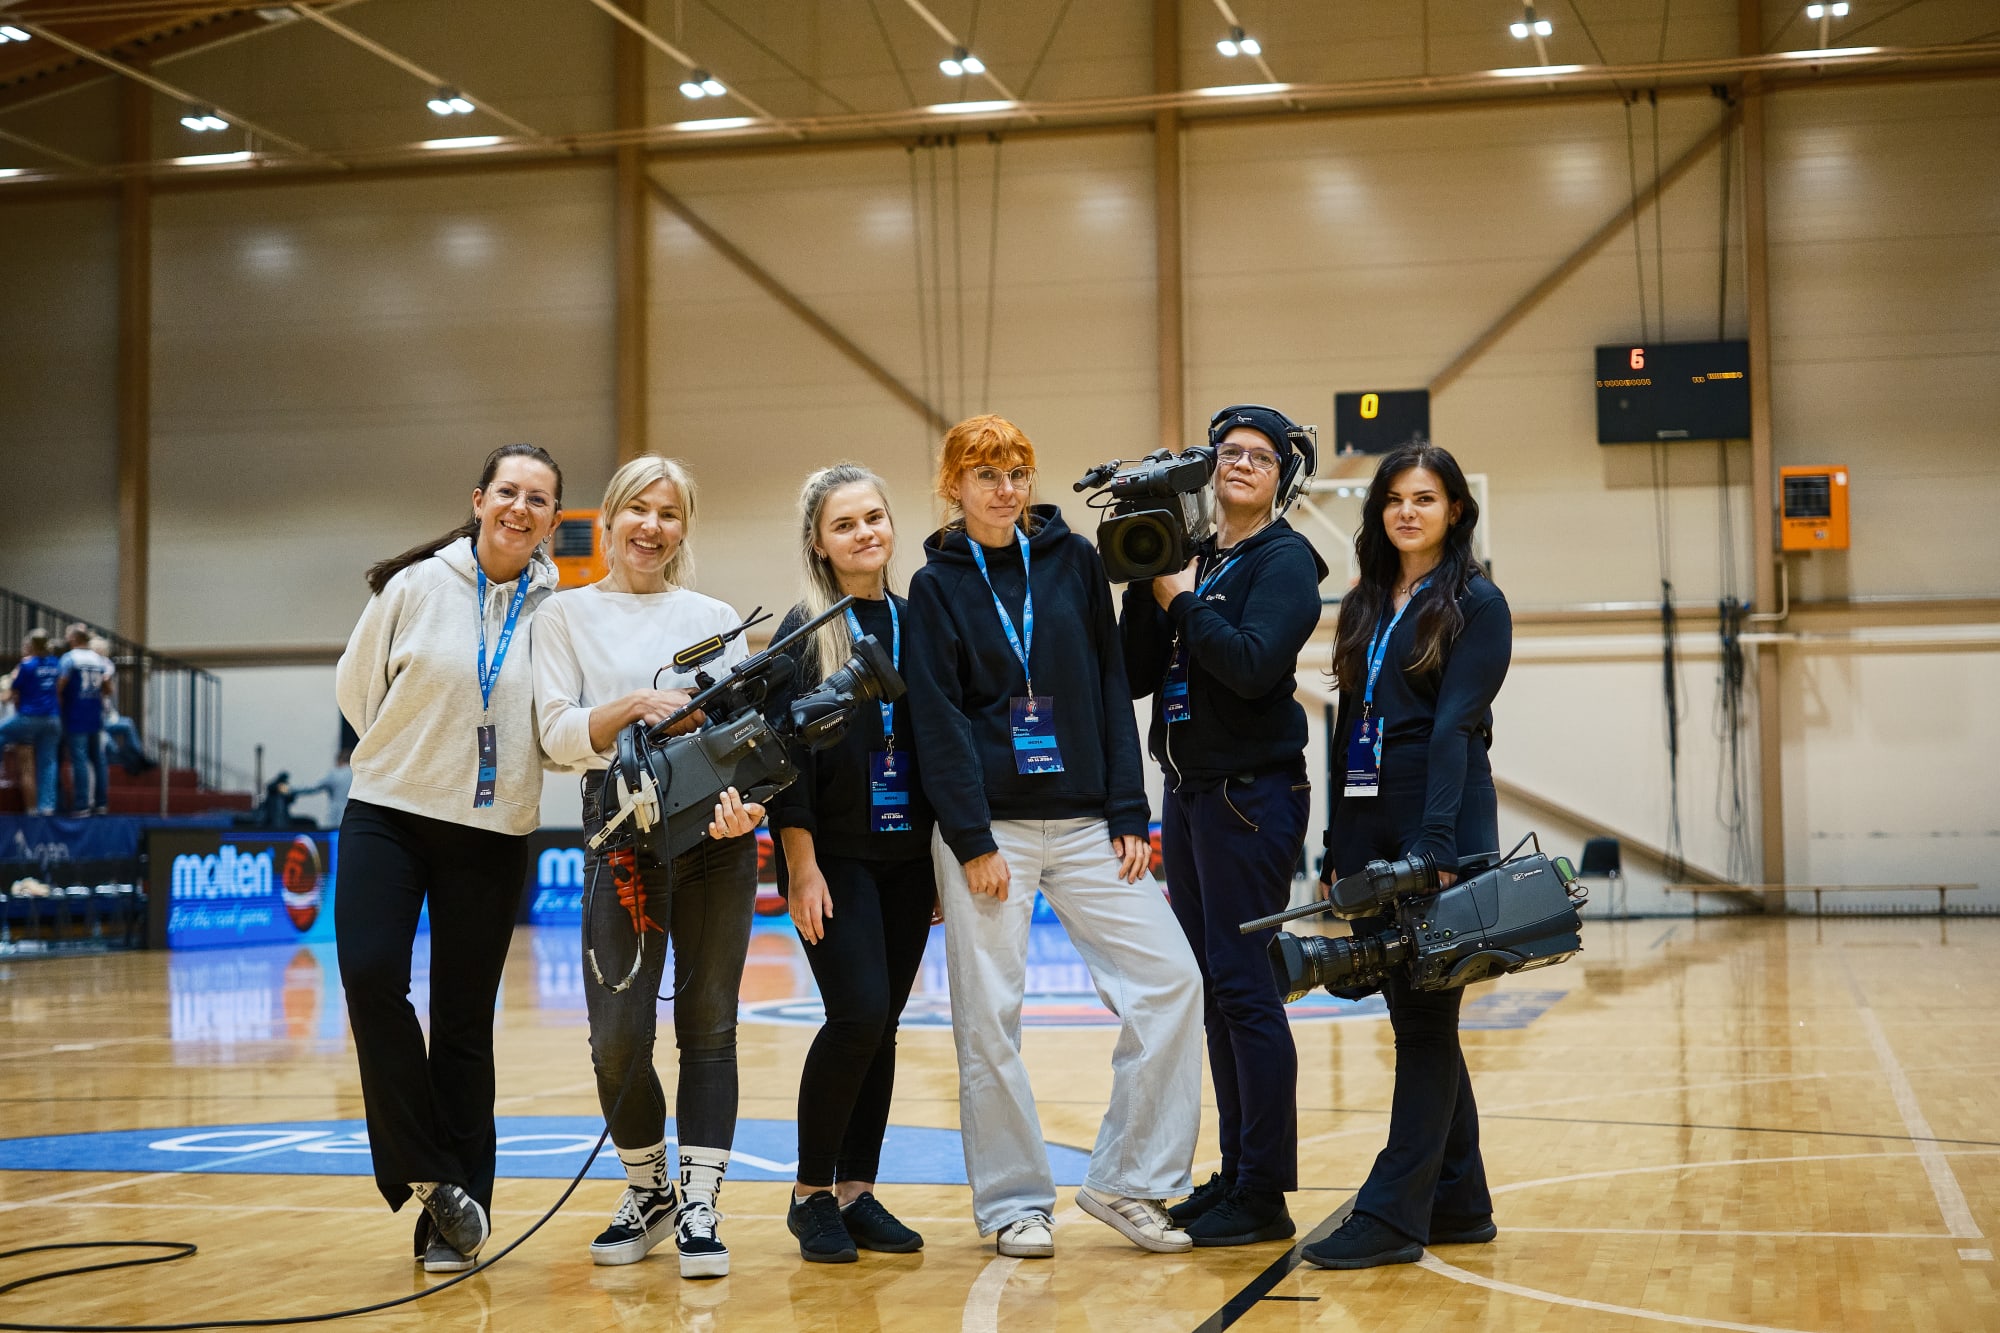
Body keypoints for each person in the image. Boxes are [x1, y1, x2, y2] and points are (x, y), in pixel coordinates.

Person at [904, 413, 1205, 1260]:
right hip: (988, 828)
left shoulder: (1072, 561)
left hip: (1085, 820)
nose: (1006, 488)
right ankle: (1013, 1203)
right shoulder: (937, 586)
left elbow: (1112, 687)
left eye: (1017, 472)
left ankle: (1127, 1180)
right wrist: (968, 839)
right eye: (987, 474)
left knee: (1172, 981)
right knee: (989, 1019)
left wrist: (1127, 811)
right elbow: (938, 716)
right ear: (954, 486)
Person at [531, 454, 765, 1280]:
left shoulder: (715, 614)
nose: (651, 527)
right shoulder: (564, 615)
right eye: (638, 509)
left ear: (683, 527)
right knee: (616, 1040)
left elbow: (746, 739)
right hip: (618, 834)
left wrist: (751, 805)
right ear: (610, 516)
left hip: (717, 839)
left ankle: (701, 1202)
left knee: (709, 1026)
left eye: (669, 513)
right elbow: (556, 735)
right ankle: (649, 1188)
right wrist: (635, 704)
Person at [334, 443, 564, 1275]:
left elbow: (560, 723)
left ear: (552, 519)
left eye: (538, 499)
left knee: (463, 1025)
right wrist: (412, 756)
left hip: (492, 831)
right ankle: (432, 1175)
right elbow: (356, 691)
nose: (520, 508)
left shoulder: (559, 608)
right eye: (508, 491)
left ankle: (456, 1213)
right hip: (388, 811)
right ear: (478, 499)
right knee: (369, 976)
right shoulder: (415, 586)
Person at [1299, 442, 1511, 1271]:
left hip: (1443, 822)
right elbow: (1347, 726)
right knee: (1413, 1011)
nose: (1407, 511)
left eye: (1424, 498)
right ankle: (1460, 1200)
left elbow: (1458, 724)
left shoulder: (1478, 603)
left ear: (1455, 509)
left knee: (1425, 1020)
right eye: (1394, 498)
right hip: (1369, 816)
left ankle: (1392, 1215)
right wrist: (1336, 844)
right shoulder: (1362, 604)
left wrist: (1436, 849)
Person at [1120, 404, 1327, 1247]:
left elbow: (1246, 665)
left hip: (1251, 794)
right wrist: (1150, 577)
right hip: (1192, 788)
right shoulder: (1198, 557)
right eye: (1226, 453)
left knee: (1246, 988)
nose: (1238, 464)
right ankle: (1238, 1173)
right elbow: (1137, 671)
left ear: (1282, 473)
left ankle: (1266, 1189)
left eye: (1257, 455)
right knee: (1215, 991)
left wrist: (1179, 599)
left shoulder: (1286, 562)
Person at [768, 464, 937, 1265]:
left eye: (876, 517)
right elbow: (782, 768)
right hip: (831, 858)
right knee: (858, 1013)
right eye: (846, 524)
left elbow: (940, 745)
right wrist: (800, 867)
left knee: (885, 1024)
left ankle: (855, 1190)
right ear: (819, 542)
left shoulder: (916, 619)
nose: (867, 532)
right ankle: (809, 1195)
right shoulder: (803, 633)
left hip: (907, 858)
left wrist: (938, 860)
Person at [0, 631, 62, 816]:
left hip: (29, 717)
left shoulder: (26, 666)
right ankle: (47, 807)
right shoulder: (55, 663)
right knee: (48, 762)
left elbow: (12, 693)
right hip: (52, 718)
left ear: (31, 646)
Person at [57, 626, 114, 815]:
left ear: (74, 638)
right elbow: (108, 689)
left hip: (75, 714)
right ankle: (101, 803)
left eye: (68, 637)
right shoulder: (98, 660)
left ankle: (82, 804)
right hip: (94, 714)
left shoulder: (69, 658)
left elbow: (60, 686)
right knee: (98, 759)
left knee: (79, 760)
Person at [89, 637, 155, 776]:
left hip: (106, 715)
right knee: (108, 743)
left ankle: (137, 757)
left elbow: (107, 687)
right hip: (93, 718)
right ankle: (121, 761)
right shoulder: (89, 667)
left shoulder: (105, 664)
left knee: (128, 724)